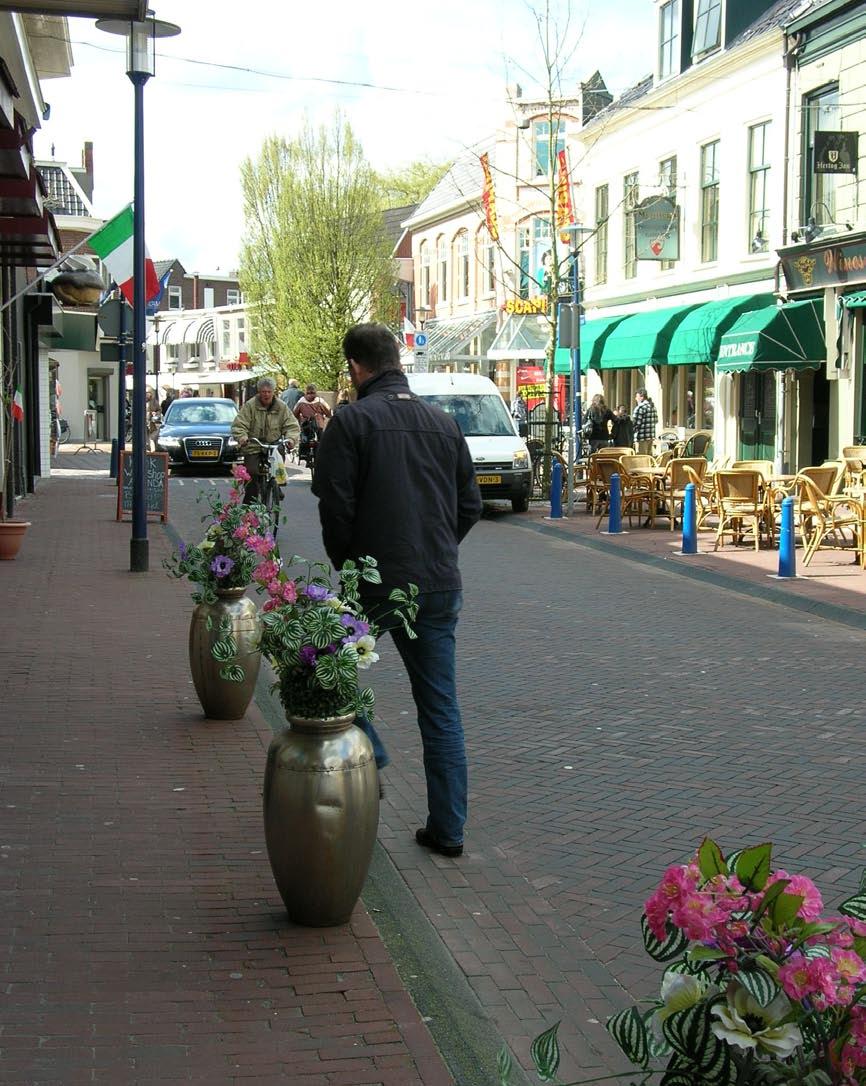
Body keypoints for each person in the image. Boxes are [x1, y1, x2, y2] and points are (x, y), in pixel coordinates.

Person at [312, 322, 482, 859]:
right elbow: (470, 506)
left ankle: (373, 749)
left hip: (374, 581)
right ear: (396, 360)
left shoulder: (351, 422)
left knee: (326, 665)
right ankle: (448, 830)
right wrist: (435, 550)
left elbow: (335, 510)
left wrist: (353, 566)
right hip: (437, 583)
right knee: (440, 707)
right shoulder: (443, 423)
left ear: (356, 369)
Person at [230, 376, 299, 502]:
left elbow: (292, 425)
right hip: (254, 445)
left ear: (273, 392)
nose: (266, 395)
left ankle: (276, 486)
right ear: (259, 392)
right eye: (263, 392)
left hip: (274, 445)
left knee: (278, 468)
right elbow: (239, 424)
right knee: (252, 474)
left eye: (269, 392)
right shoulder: (250, 405)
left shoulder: (281, 407)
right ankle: (249, 507)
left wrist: (291, 439)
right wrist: (243, 438)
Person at [633, 387, 659, 455]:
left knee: (641, 459)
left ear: (642, 397)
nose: (635, 399)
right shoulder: (653, 407)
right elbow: (656, 420)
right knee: (649, 459)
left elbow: (635, 424)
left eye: (636, 396)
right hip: (651, 437)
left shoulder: (640, 408)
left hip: (641, 437)